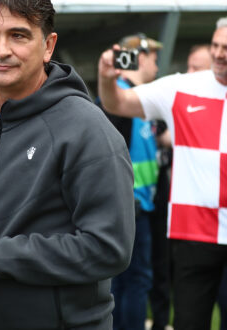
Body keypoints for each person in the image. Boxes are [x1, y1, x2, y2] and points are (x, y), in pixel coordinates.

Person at [0, 0, 135, 329]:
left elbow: (108, 247)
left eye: (18, 36)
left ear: (48, 45)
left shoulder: (86, 128)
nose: (1, 50)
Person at [98, 16, 227, 330]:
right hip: (192, 232)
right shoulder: (182, 86)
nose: (220, 53)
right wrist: (105, 77)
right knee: (188, 321)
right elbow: (118, 103)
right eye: (216, 46)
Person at [99, 33, 162, 330]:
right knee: (132, 280)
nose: (157, 65)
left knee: (129, 280)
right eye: (154, 57)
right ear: (138, 57)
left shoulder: (141, 98)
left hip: (140, 203)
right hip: (129, 205)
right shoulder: (119, 98)